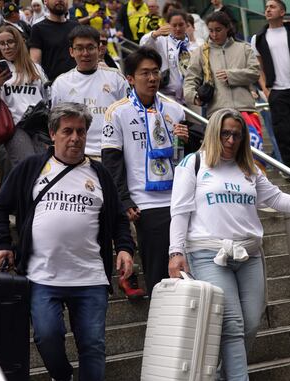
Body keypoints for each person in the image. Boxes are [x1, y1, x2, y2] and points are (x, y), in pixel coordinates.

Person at [168, 108, 290, 381]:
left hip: (249, 253)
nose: (230, 140)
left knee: (252, 323)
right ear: (214, 133)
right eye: (225, 134)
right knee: (232, 325)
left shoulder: (249, 169)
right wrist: (176, 253)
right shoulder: (194, 164)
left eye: (237, 134)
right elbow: (179, 211)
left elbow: (275, 199)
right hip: (207, 253)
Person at [0, 102, 135, 381]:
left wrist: (126, 248)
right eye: (67, 131)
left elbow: (117, 219)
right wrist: (2, 243)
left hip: (90, 279)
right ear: (52, 135)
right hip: (43, 276)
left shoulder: (99, 174)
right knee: (47, 336)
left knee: (93, 346)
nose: (74, 138)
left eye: (80, 131)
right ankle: (62, 376)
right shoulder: (31, 168)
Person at [101, 46, 187, 298]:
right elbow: (112, 163)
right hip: (146, 204)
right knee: (159, 273)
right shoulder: (117, 112)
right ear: (130, 78)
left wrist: (187, 141)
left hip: (178, 200)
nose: (152, 78)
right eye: (145, 73)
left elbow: (184, 157)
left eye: (155, 72)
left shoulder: (175, 110)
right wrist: (124, 199)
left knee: (186, 271)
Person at [251, 0, 290, 181]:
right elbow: (259, 68)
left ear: (282, 11)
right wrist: (266, 91)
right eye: (267, 7)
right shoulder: (258, 37)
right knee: (284, 134)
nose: (268, 9)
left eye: (272, 6)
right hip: (276, 92)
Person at [50, 25, 127, 160]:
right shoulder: (61, 83)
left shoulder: (117, 79)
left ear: (99, 49)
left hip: (111, 153)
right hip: (75, 156)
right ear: (71, 51)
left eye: (90, 48)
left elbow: (128, 115)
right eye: (79, 48)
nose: (85, 53)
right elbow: (55, 123)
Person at [0, 24, 48, 169]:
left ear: (19, 42)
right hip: (14, 126)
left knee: (44, 168)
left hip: (38, 125)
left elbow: (47, 98)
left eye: (10, 42)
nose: (7, 47)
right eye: (2, 43)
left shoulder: (35, 68)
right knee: (29, 164)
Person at [183, 11, 258, 116]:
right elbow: (190, 79)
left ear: (227, 28)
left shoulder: (244, 48)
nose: (214, 35)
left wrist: (231, 76)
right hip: (217, 112)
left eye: (218, 30)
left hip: (245, 109)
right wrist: (194, 97)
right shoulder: (200, 52)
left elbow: (255, 73)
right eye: (211, 31)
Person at [139, 9, 196, 104]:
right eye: (174, 25)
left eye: (181, 25)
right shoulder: (162, 41)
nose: (178, 28)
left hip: (190, 95)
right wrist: (154, 34)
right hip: (168, 96)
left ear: (186, 24)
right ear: (168, 25)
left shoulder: (193, 46)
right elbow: (143, 46)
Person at [28, 0, 77, 82]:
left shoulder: (76, 27)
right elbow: (35, 63)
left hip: (76, 83)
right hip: (51, 85)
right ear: (45, 1)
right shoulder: (38, 29)